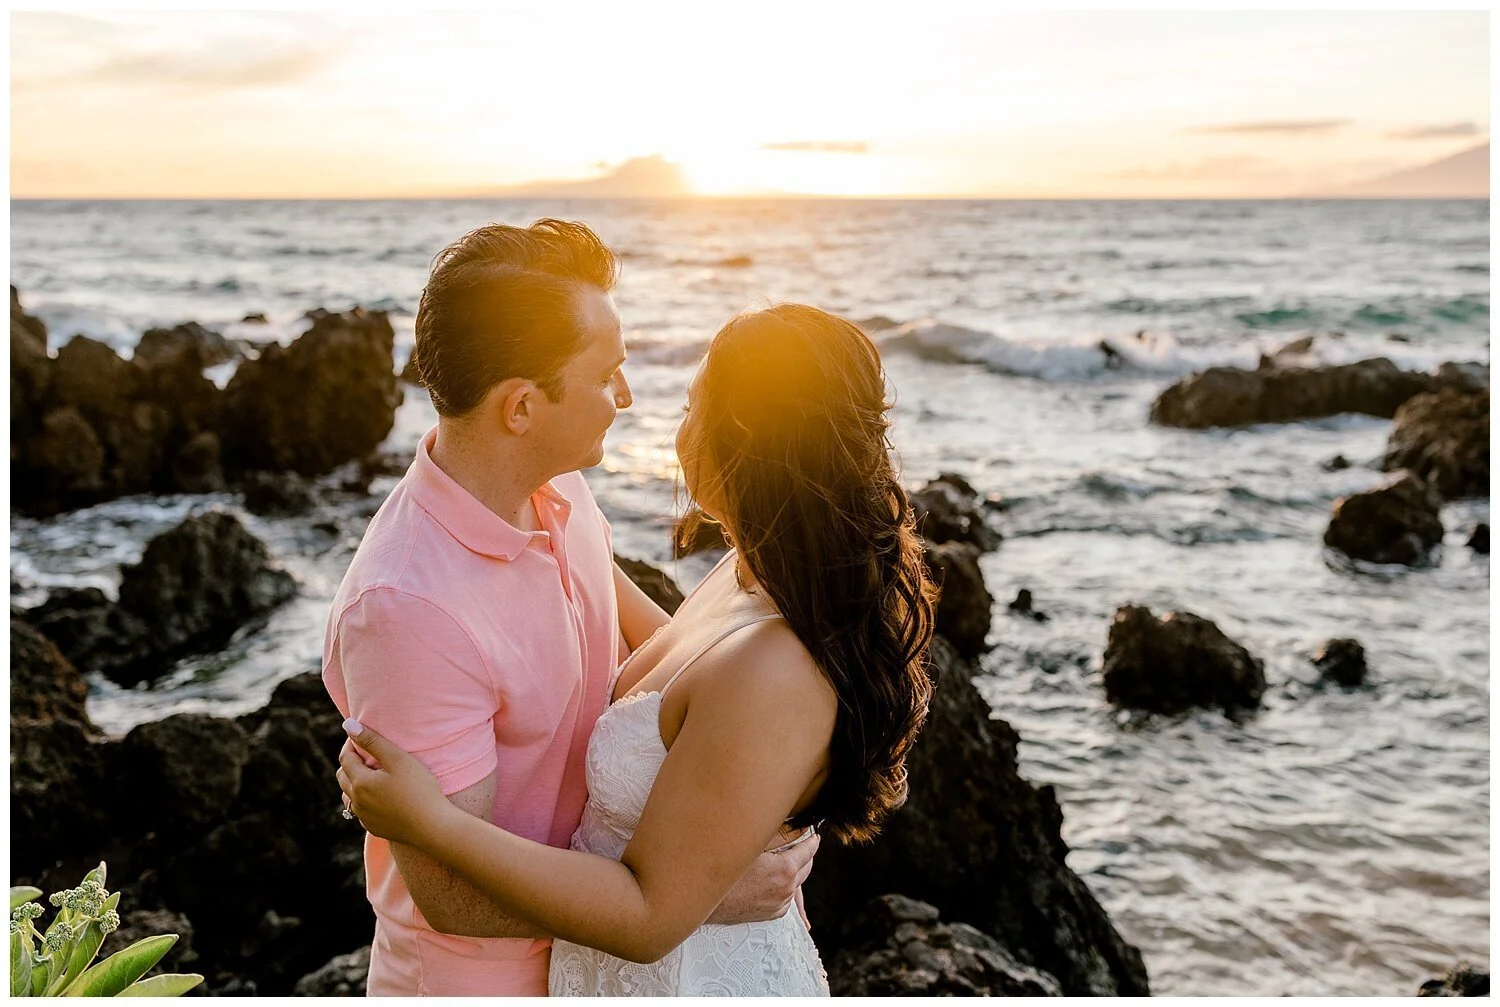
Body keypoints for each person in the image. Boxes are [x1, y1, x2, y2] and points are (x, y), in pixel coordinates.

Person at [336, 302, 939, 995]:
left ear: (742, 437)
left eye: (691, 405)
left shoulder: (778, 664)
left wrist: (433, 821)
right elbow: (680, 679)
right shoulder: (749, 567)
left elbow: (651, 918)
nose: (657, 416)